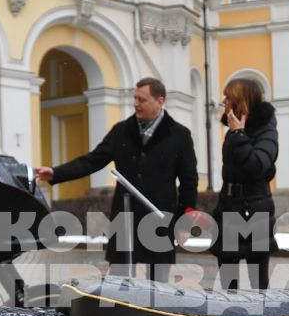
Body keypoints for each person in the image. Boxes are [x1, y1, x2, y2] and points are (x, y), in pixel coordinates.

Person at [38, 77, 197, 279]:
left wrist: (184, 221)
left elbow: (189, 182)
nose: (136, 104)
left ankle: (151, 310)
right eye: (135, 98)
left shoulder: (180, 135)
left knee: (159, 285)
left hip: (159, 219)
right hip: (125, 217)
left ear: (160, 101)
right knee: (119, 281)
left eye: (142, 99)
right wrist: (55, 172)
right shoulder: (121, 131)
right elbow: (91, 161)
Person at [213, 77, 279, 290]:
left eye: (228, 97)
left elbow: (257, 166)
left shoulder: (266, 130)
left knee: (258, 282)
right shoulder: (234, 130)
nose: (223, 101)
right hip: (229, 207)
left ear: (242, 101)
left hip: (255, 209)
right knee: (228, 280)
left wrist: (239, 134)